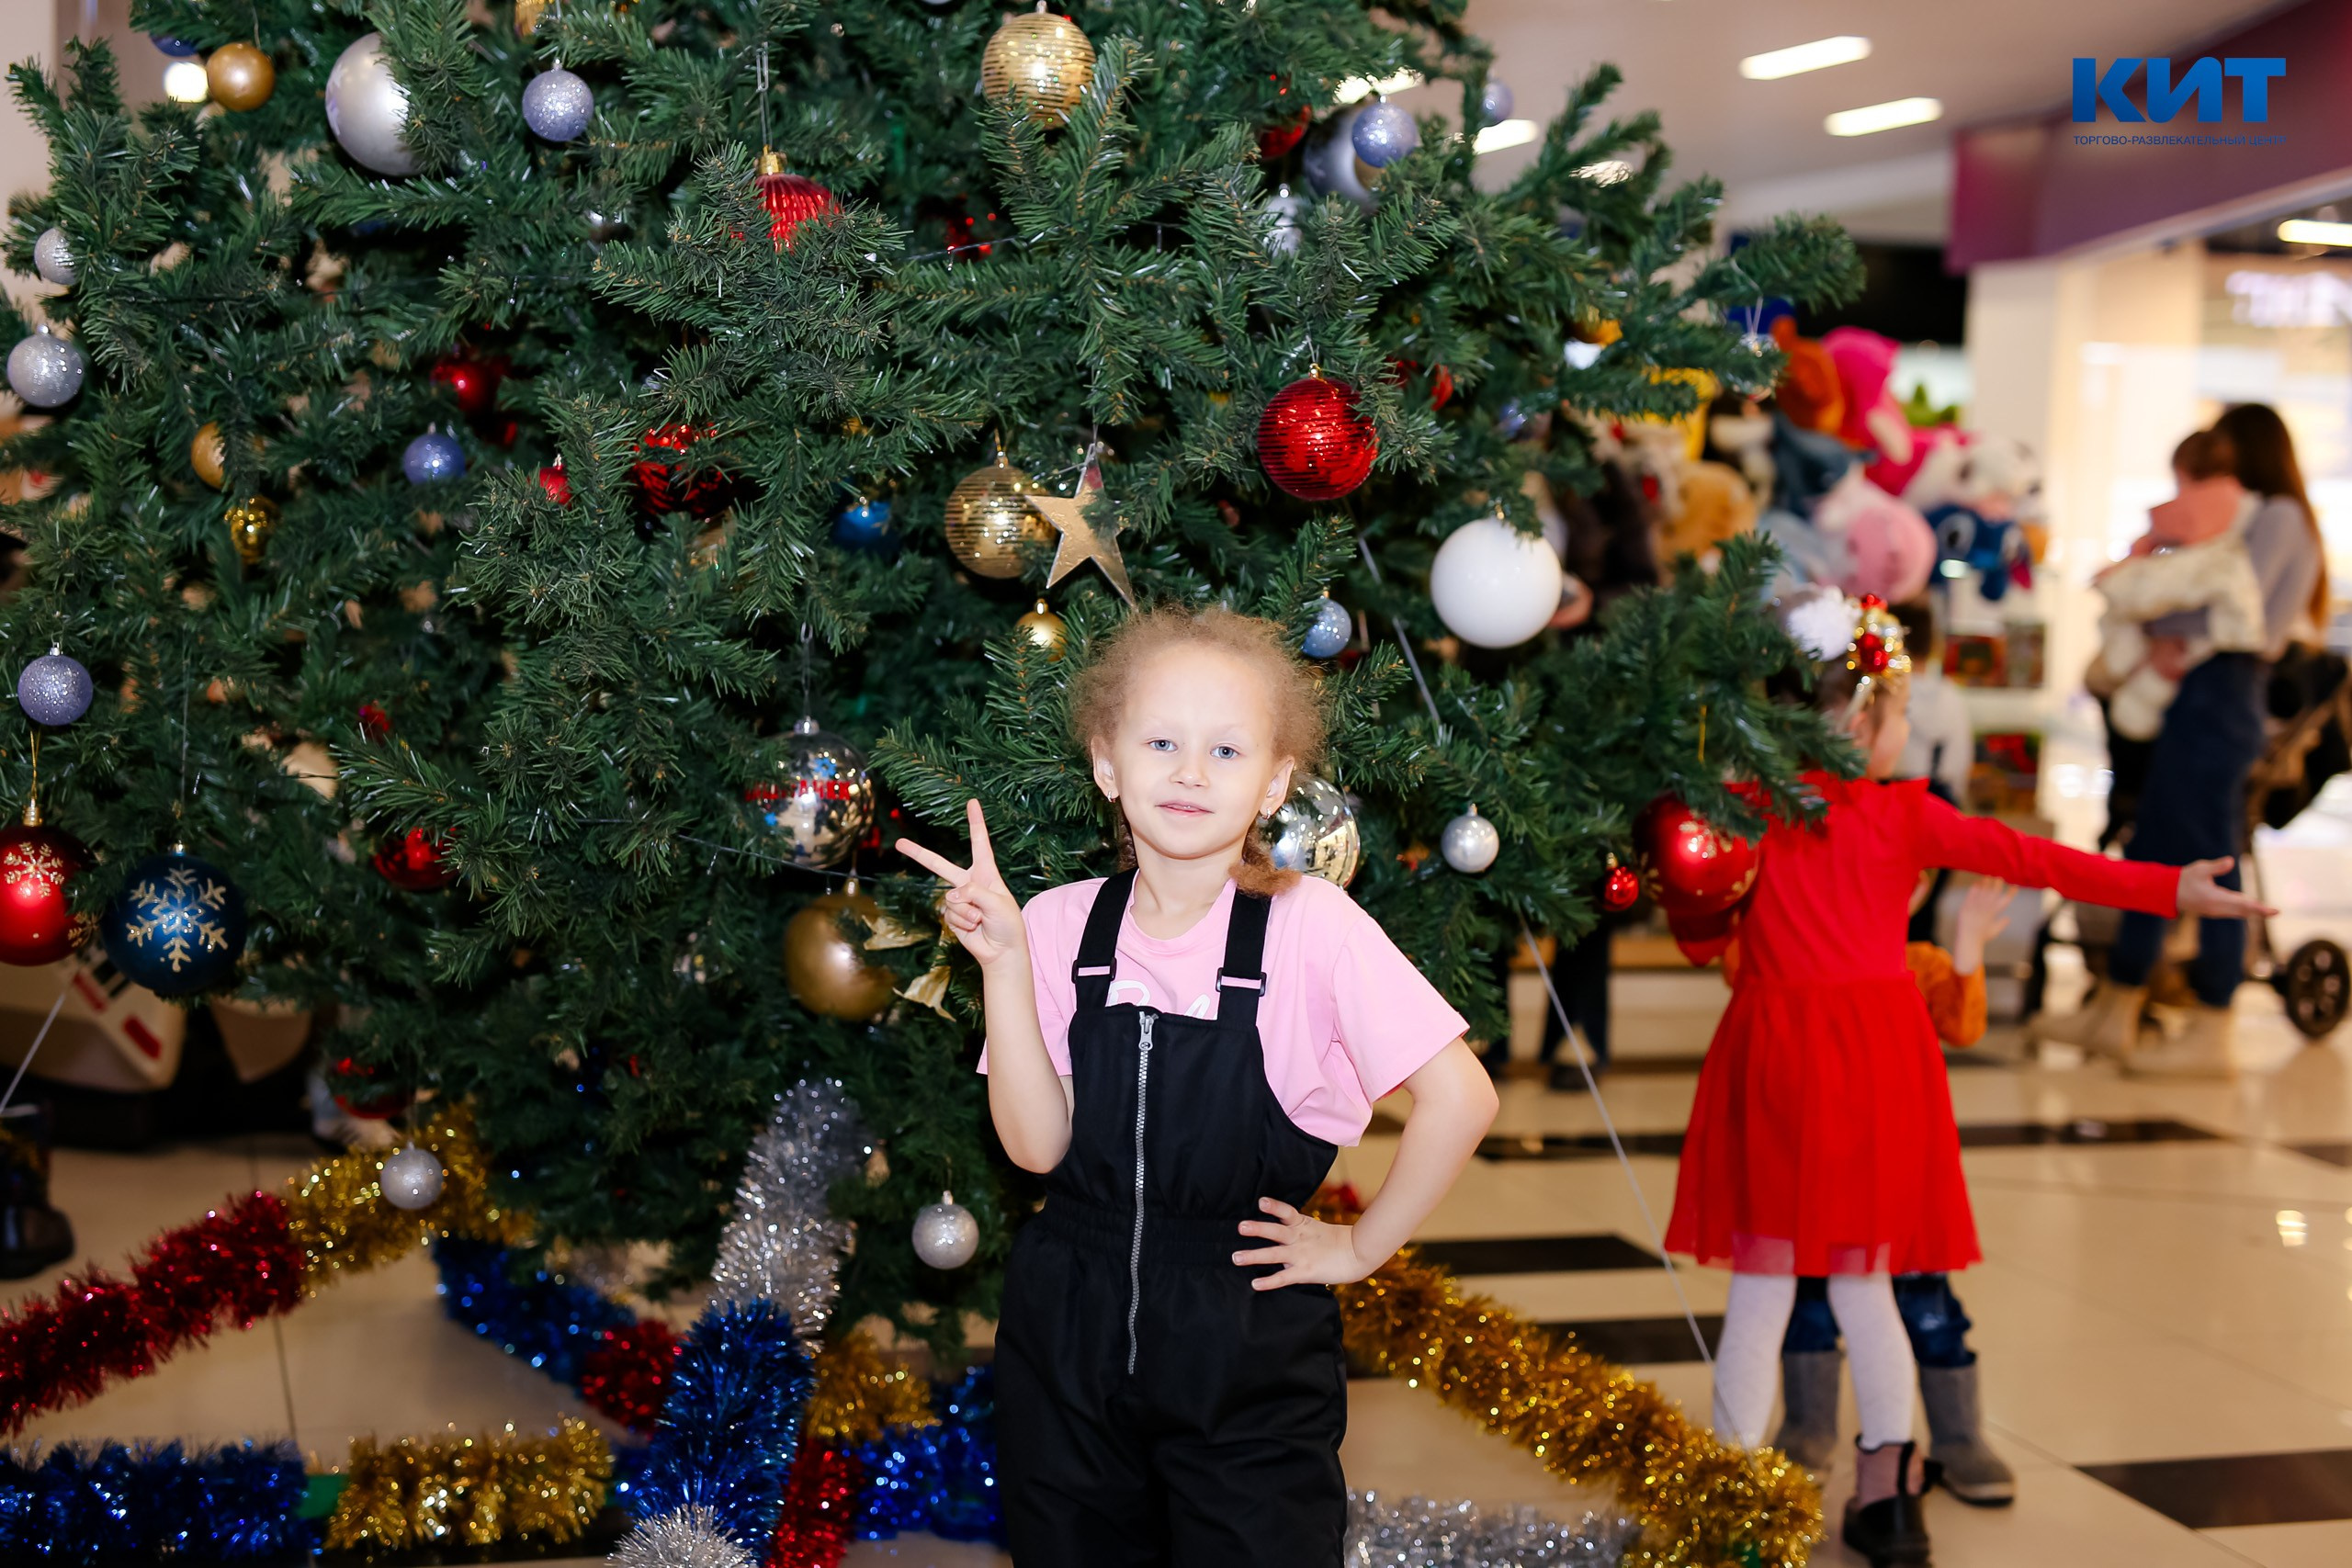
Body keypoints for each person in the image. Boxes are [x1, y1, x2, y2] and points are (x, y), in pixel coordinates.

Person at [1663, 591, 2268, 1568]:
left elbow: (1700, 935)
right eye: (1900, 715)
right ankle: (1888, 1497)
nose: (1906, 733)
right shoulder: (1906, 815)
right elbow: (2038, 859)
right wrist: (2170, 886)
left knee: (1762, 1294)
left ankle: (1735, 1501)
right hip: (1872, 1067)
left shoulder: (1751, 814)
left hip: (1773, 1063)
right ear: (1863, 719)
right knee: (1867, 1292)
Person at [897, 605, 1498, 1568]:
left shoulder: (1316, 930)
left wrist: (1359, 1249)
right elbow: (1035, 1150)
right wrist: (1003, 967)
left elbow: (1462, 1096)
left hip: (1247, 1341)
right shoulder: (1052, 925)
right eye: (1161, 741)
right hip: (1067, 1335)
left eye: (1226, 750)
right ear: (1106, 762)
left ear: (1273, 784)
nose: (1189, 771)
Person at [2035, 403, 2327, 1077]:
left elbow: (2238, 605)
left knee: (2211, 861)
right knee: (2157, 854)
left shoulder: (2279, 518)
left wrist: (2151, 602)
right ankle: (2119, 1002)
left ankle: (2212, 1017)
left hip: (2223, 697)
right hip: (2205, 697)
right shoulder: (2264, 517)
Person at [1773, 877, 2020, 1507]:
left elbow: (1962, 1024)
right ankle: (1808, 1429)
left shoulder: (1919, 962)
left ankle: (1958, 1434)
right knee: (1809, 1306)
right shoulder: (1805, 954)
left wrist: (1967, 944)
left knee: (1928, 1306)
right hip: (1823, 1175)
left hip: (1900, 1176)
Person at [2084, 429, 2264, 748]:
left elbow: (2159, 534)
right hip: (2213, 630)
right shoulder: (2245, 501)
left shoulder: (2191, 505)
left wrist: (2134, 557)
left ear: (2182, 469)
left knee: (2135, 638)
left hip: (2190, 601)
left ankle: (2126, 702)